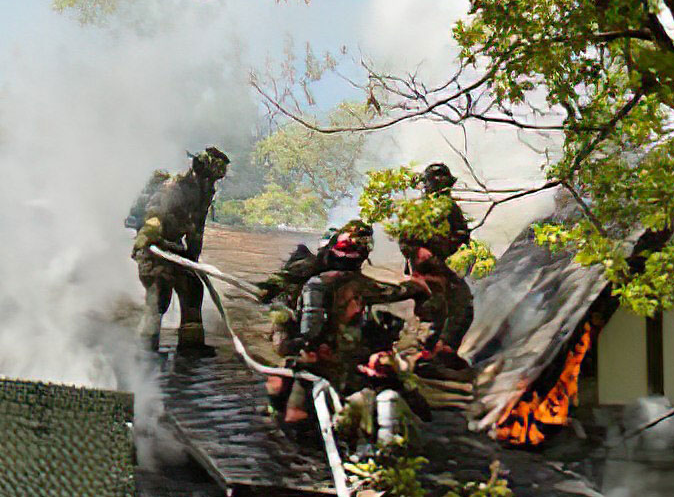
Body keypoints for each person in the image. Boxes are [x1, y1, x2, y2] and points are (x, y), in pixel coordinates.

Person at [265, 221, 416, 438]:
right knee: (282, 391)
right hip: (328, 357)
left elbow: (309, 331)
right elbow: (305, 331)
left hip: (334, 359)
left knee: (292, 409)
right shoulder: (332, 284)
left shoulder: (319, 284)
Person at [131, 148, 230, 353]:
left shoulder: (205, 191)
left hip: (176, 249)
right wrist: (146, 239)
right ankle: (145, 350)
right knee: (159, 295)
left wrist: (193, 258)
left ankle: (190, 346)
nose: (213, 182)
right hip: (155, 249)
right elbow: (155, 214)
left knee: (193, 288)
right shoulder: (174, 186)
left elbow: (196, 227)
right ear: (201, 171)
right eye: (211, 177)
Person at [399, 162, 474, 375]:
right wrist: (420, 253)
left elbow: (463, 235)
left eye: (444, 182)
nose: (441, 186)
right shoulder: (416, 211)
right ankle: (420, 357)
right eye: (436, 181)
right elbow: (405, 242)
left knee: (462, 303)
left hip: (444, 266)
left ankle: (443, 351)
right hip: (426, 270)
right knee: (433, 312)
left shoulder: (451, 208)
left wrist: (461, 251)